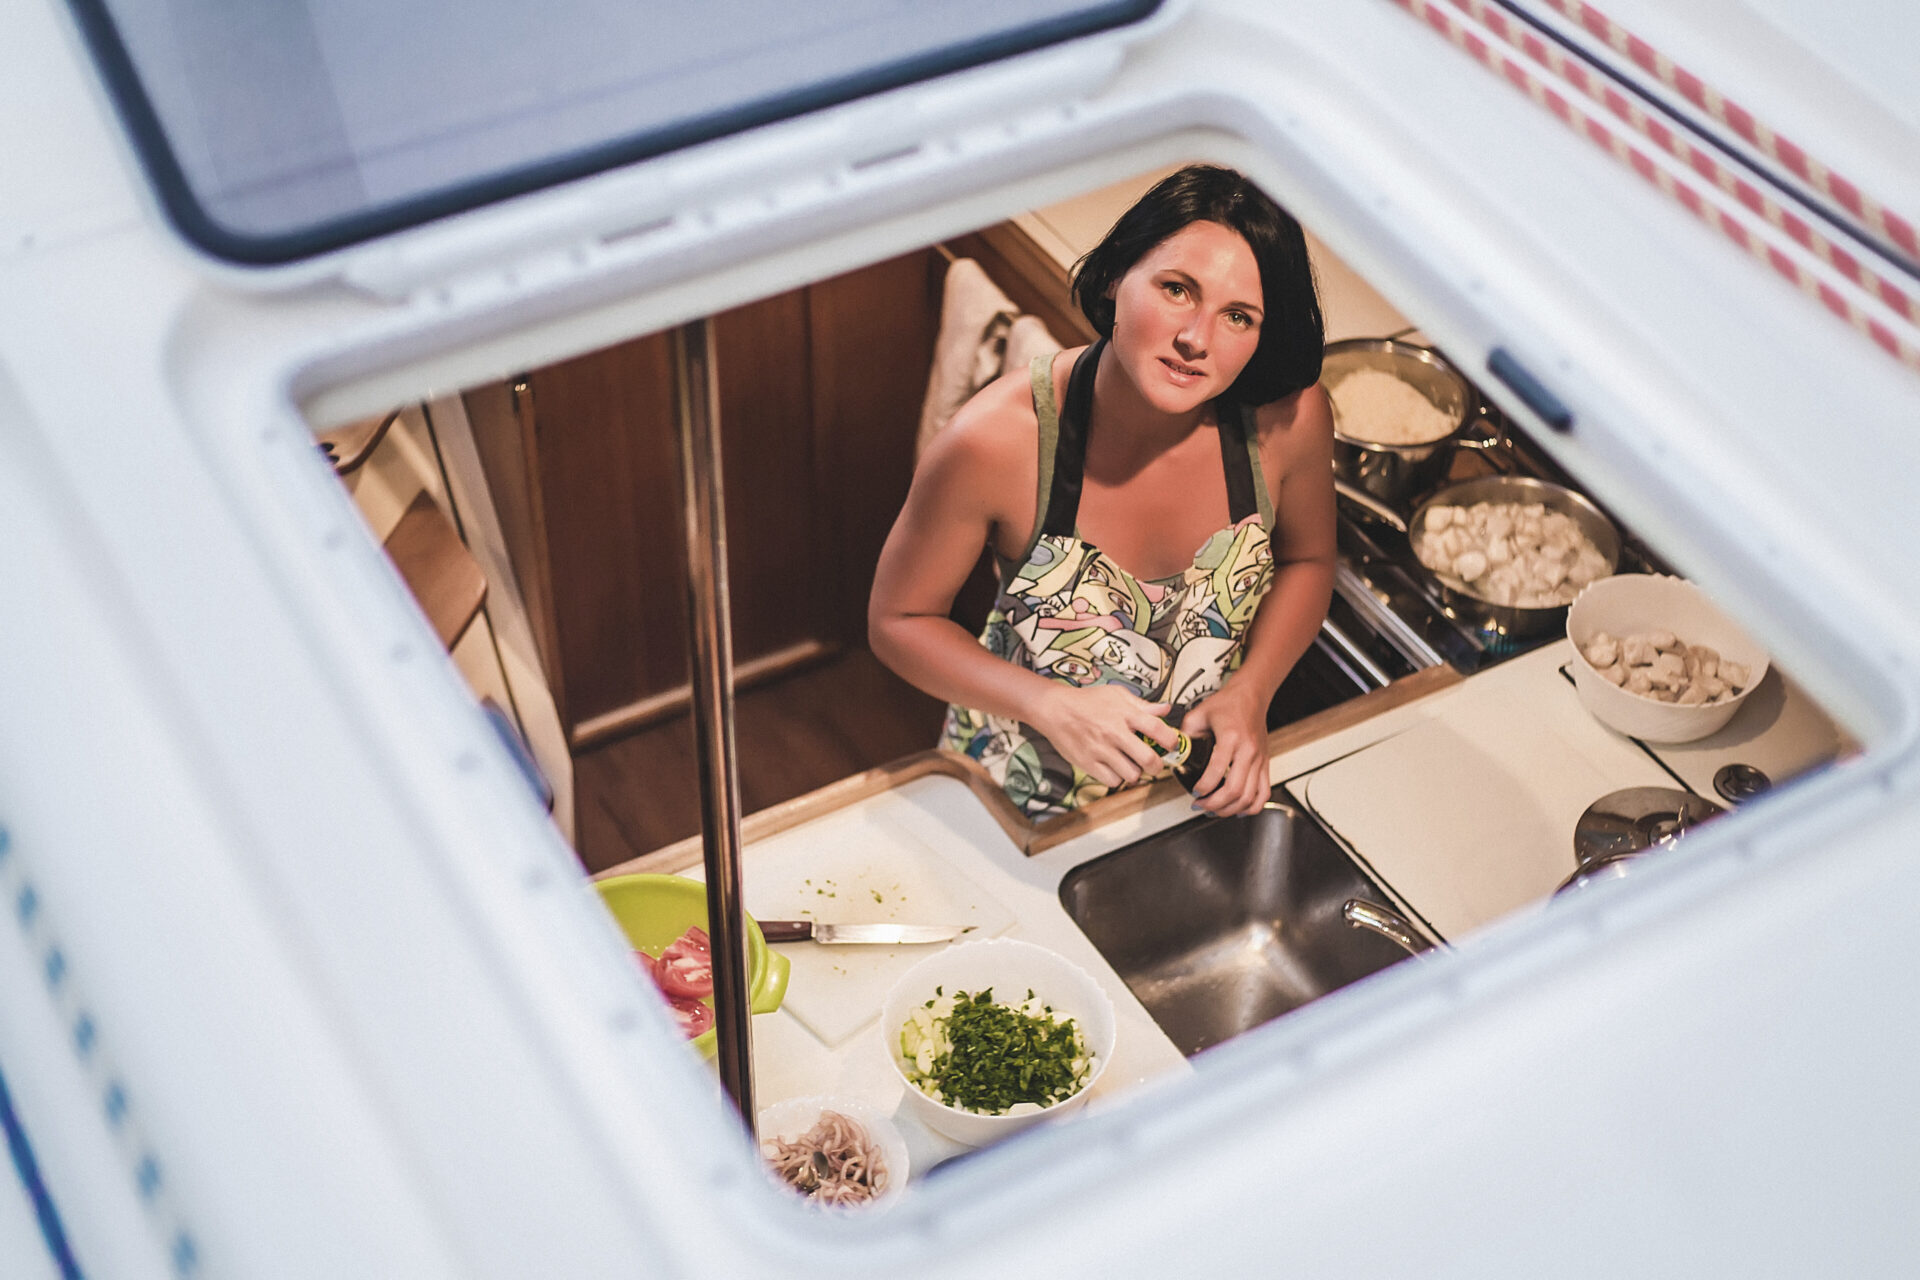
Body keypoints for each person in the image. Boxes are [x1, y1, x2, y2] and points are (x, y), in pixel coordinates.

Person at [869, 165, 1336, 820]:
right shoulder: (992, 443)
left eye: (1238, 316)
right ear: (1117, 275)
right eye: (1177, 289)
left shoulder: (1289, 420)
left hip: (1192, 796)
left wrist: (1252, 694)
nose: (1196, 339)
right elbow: (898, 622)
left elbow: (1310, 562)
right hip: (1012, 794)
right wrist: (1048, 704)